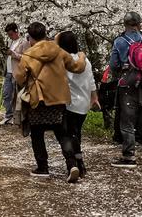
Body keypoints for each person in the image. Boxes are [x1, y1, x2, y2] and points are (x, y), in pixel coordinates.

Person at [14, 22, 88, 182]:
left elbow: (19, 78)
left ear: (31, 38)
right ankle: (71, 165)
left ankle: (42, 167)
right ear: (45, 34)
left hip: (38, 99)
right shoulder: (59, 51)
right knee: (62, 134)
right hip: (58, 98)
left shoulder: (28, 55)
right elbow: (77, 67)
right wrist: (82, 56)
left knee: (37, 134)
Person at [108, 12, 142, 168]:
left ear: (125, 25)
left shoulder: (119, 41)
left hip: (128, 84)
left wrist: (122, 71)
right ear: (139, 24)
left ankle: (129, 156)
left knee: (127, 122)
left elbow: (113, 65)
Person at [56, 31, 98, 177]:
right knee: (76, 133)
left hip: (69, 103)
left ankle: (74, 164)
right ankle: (80, 164)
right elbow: (92, 81)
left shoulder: (64, 61)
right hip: (83, 103)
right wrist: (94, 98)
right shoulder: (85, 61)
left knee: (66, 135)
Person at [0, 23, 28, 125]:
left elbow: (26, 58)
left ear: (16, 31)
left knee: (17, 96)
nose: (10, 36)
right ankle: (8, 115)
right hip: (8, 72)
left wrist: (13, 54)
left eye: (11, 34)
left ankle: (18, 118)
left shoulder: (24, 42)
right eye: (8, 35)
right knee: (6, 94)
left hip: (17, 73)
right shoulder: (11, 42)